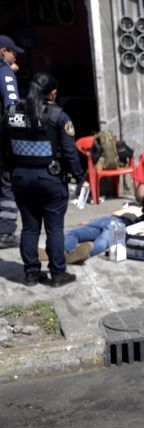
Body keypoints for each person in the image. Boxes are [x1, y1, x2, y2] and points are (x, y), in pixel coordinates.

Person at [4, 72, 84, 287]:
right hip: (50, 179)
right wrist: (79, 176)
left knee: (29, 228)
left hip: (21, 178)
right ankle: (57, 274)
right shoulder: (58, 116)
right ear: (53, 93)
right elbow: (69, 153)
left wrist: (8, 170)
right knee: (54, 229)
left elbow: (4, 148)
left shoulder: (11, 112)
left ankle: (31, 274)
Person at [39, 206, 143, 264]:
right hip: (111, 221)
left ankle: (60, 252)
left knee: (80, 234)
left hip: (113, 221)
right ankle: (67, 254)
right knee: (97, 239)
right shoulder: (137, 209)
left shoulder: (139, 211)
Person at [0, 35, 23, 249]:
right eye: (12, 52)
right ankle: (5, 232)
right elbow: (12, 108)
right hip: (2, 140)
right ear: (2, 51)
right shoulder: (4, 72)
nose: (14, 56)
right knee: (7, 183)